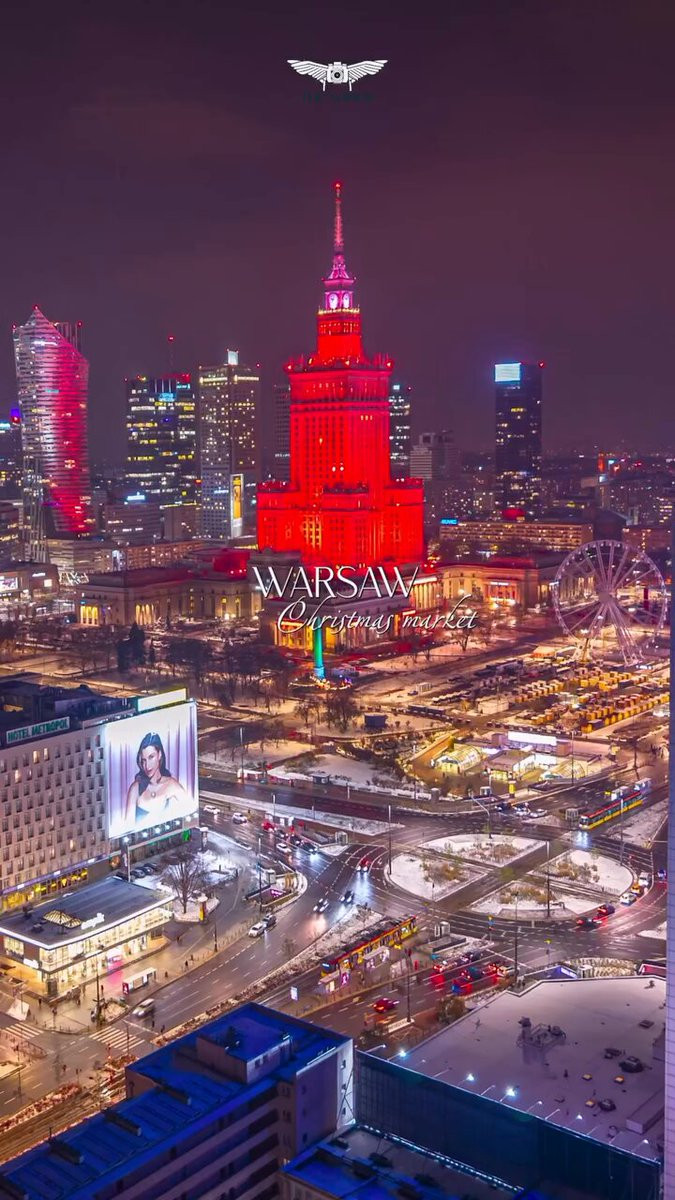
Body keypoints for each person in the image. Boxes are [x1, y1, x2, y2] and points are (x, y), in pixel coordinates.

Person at [123, 732, 191, 829]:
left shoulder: (171, 784)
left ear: (159, 755)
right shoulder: (135, 789)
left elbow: (191, 812)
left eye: (151, 757)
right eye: (144, 760)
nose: (147, 766)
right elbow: (127, 827)